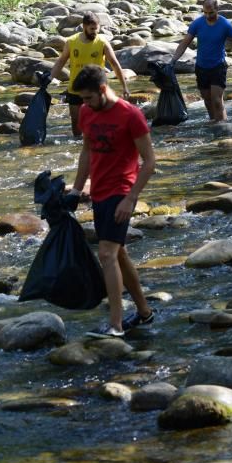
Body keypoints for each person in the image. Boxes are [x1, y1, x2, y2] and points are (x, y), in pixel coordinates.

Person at [70, 65, 156, 338]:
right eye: (82, 99)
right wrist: (76, 188)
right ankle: (144, 312)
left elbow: (150, 162)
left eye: (88, 98)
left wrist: (131, 199)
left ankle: (116, 326)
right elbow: (86, 151)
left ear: (103, 89)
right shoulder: (87, 112)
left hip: (121, 192)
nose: (84, 104)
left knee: (106, 254)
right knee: (118, 253)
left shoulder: (131, 116)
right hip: (99, 192)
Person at [168, 0, 232, 123]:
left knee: (217, 101)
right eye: (205, 13)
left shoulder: (225, 25)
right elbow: (184, 43)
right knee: (207, 99)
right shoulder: (197, 23)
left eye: (211, 12)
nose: (207, 16)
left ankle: (222, 125)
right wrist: (173, 60)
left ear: (217, 9)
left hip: (218, 66)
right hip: (201, 67)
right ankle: (213, 123)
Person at [51, 11, 130, 138]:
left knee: (97, 122)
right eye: (92, 29)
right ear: (84, 26)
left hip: (96, 90)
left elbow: (115, 64)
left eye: (96, 29)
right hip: (75, 89)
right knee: (76, 122)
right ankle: (77, 147)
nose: (95, 32)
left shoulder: (102, 42)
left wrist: (124, 86)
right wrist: (50, 78)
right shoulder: (71, 41)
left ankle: (98, 145)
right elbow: (61, 61)